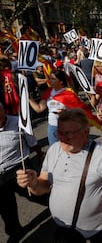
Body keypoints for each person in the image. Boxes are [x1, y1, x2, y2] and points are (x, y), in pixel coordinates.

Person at [16, 108, 102, 243]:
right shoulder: (54, 150)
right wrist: (33, 183)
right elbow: (43, 185)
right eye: (60, 133)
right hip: (63, 230)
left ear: (86, 132)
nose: (62, 138)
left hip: (96, 231)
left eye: (68, 134)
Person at [0, 102, 46, 242]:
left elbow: (32, 142)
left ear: (3, 110)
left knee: (33, 194)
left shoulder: (19, 122)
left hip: (19, 167)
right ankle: (15, 231)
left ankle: (60, 207)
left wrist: (40, 155)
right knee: (5, 206)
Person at [29, 70, 100, 145]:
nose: (50, 81)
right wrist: (29, 98)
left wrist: (66, 113)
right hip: (52, 127)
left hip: (67, 127)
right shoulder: (48, 91)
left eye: (53, 79)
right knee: (55, 152)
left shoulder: (68, 93)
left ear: (61, 81)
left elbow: (79, 110)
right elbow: (39, 109)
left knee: (70, 150)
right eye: (50, 78)